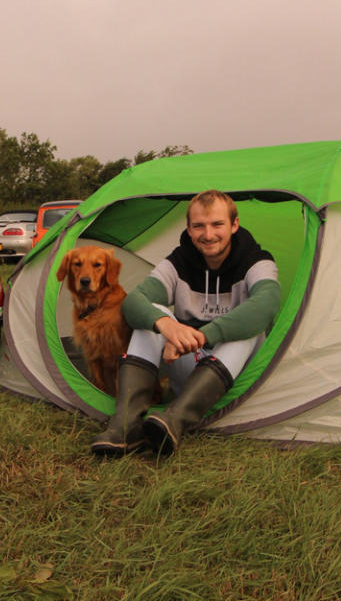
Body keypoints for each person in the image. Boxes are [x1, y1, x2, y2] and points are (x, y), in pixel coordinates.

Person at [90, 189, 282, 457]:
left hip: (238, 378)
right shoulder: (178, 262)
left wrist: (200, 337)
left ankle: (176, 419)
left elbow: (267, 305)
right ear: (189, 229)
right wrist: (168, 327)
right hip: (190, 368)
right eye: (199, 226)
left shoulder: (257, 261)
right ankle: (125, 428)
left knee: (250, 327)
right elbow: (134, 302)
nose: (208, 234)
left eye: (217, 224)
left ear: (234, 225)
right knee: (153, 312)